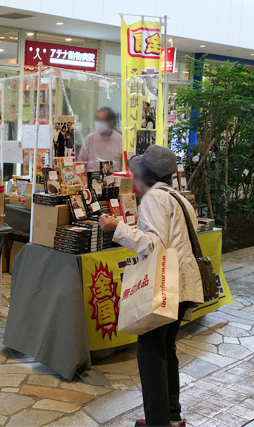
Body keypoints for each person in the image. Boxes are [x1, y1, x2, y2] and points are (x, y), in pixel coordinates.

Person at [98, 145, 203, 427]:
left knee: (151, 356)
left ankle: (158, 422)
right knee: (165, 351)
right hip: (182, 287)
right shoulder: (178, 197)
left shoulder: (155, 198)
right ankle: (171, 417)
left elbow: (154, 244)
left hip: (164, 288)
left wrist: (116, 227)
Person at [77, 106, 123, 172]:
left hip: (114, 180)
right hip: (92, 180)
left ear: (111, 122)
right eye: (97, 119)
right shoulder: (90, 139)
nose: (98, 122)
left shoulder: (119, 140)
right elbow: (80, 164)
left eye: (101, 120)